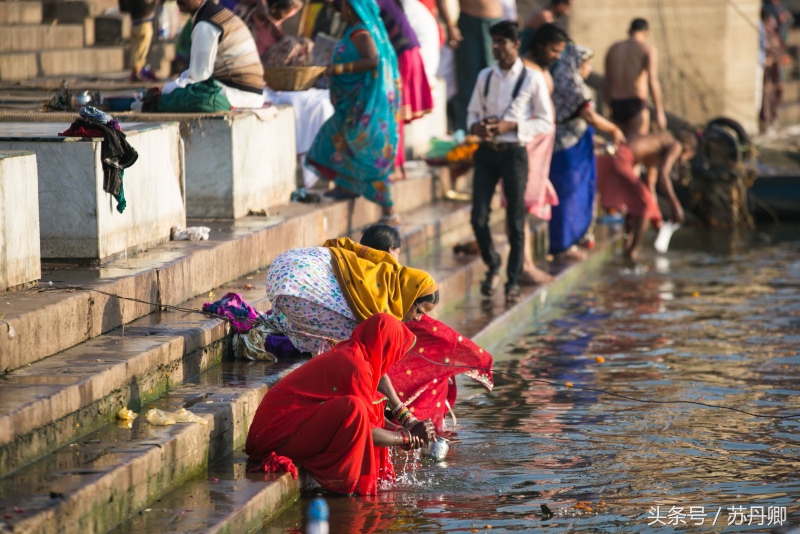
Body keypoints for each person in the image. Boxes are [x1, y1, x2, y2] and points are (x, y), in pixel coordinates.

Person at [264, 238, 440, 439]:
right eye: (418, 310)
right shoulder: (373, 316)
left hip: (285, 264)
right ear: (410, 296)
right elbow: (373, 371)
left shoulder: (387, 274)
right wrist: (405, 421)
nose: (417, 318)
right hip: (296, 286)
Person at [245, 314, 433, 495]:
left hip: (274, 431)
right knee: (353, 408)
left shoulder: (355, 354)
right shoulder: (354, 366)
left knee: (364, 407)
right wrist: (406, 437)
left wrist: (406, 426)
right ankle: (343, 486)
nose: (392, 360)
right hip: (272, 437)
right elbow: (365, 427)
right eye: (393, 352)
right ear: (384, 347)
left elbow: (372, 416)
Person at [359, 224, 494, 432]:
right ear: (389, 252)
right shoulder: (391, 282)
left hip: (370, 358)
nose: (420, 317)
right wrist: (479, 359)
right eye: (397, 253)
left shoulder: (355, 273)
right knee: (437, 370)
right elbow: (436, 333)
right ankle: (409, 423)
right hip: (370, 363)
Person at [467, 21, 556, 303]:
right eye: (493, 42)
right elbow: (470, 115)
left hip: (515, 152)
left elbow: (545, 121)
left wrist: (511, 128)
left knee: (515, 221)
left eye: (501, 42)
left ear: (515, 45)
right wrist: (476, 128)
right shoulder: (485, 76)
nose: (495, 47)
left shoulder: (533, 78)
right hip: (486, 151)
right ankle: (493, 264)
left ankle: (513, 281)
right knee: (477, 217)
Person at [305, 0, 401, 223]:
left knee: (367, 153)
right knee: (334, 139)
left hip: (362, 103)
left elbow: (373, 60)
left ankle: (390, 212)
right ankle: (346, 186)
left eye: (346, 7)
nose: (342, 11)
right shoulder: (353, 30)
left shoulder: (361, 32)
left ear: (354, 8)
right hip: (350, 104)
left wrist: (337, 69)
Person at [549, 42, 626, 260]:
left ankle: (573, 239)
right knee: (567, 194)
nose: (589, 69)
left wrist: (597, 140)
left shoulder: (566, 81)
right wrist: (613, 129)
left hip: (577, 145)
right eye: (587, 64)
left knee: (577, 193)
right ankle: (562, 245)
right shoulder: (570, 83)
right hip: (566, 149)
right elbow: (588, 115)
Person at [596, 131, 694, 261]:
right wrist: (675, 205)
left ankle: (627, 248)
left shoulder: (658, 142)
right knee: (646, 206)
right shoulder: (676, 145)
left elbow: (651, 183)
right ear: (688, 150)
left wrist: (656, 216)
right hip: (621, 159)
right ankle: (632, 253)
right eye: (689, 158)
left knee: (635, 205)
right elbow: (663, 176)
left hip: (610, 156)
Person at [162, 0, 265, 110]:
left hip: (237, 95)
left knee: (167, 92)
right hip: (250, 95)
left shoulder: (205, 23)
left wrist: (168, 88)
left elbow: (199, 76)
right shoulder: (215, 14)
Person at [376, 0, 434, 178]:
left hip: (403, 55)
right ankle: (397, 165)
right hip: (409, 53)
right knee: (396, 113)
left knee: (393, 111)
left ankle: (394, 165)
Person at [435, 0, 503, 131]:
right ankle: (467, 134)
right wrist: (449, 25)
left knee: (497, 82)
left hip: (497, 23)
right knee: (469, 82)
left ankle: (493, 131)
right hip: (471, 24)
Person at [604, 18, 665, 138]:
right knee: (636, 150)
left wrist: (609, 108)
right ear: (646, 33)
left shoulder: (613, 49)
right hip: (636, 103)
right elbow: (652, 79)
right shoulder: (647, 49)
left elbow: (607, 80)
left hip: (616, 103)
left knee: (619, 150)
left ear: (629, 31)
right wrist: (659, 111)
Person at [120, 0, 159, 81]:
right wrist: (153, 3)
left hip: (135, 23)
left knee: (136, 49)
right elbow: (143, 8)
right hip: (143, 24)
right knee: (140, 50)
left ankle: (137, 71)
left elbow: (123, 7)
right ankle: (137, 72)